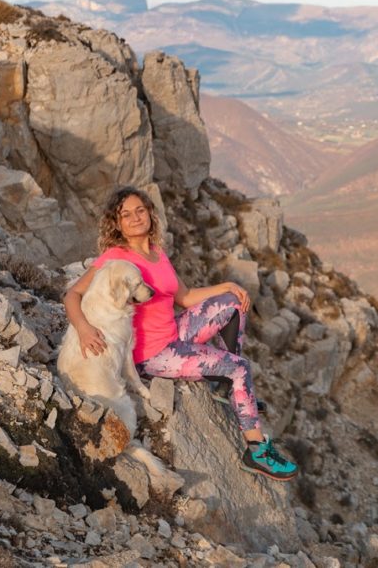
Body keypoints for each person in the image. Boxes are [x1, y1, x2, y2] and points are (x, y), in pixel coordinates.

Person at [63, 186, 298, 481]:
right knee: (240, 368)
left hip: (175, 333)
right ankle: (256, 450)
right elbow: (73, 294)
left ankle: (226, 386)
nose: (135, 218)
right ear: (117, 223)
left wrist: (225, 287)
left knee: (233, 303)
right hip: (152, 354)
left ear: (150, 212)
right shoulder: (115, 258)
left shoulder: (156, 253)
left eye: (140, 210)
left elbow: (184, 297)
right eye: (126, 214)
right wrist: (84, 329)